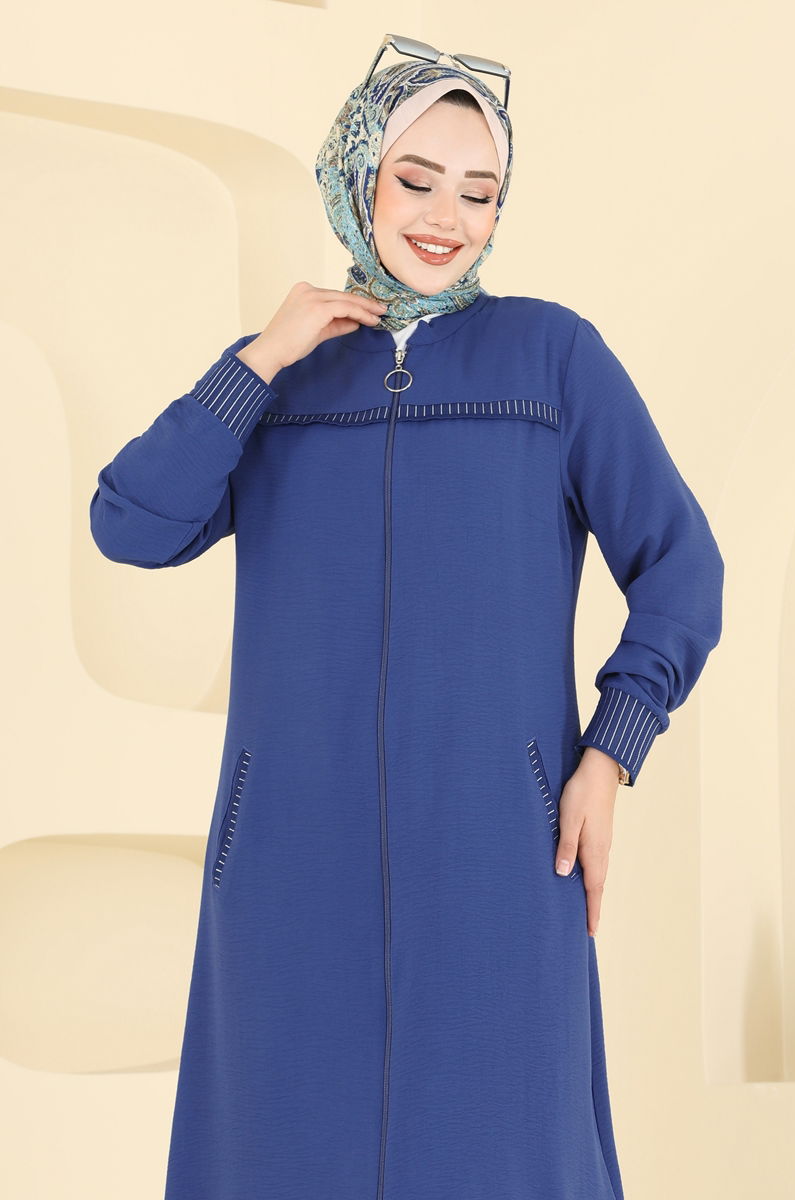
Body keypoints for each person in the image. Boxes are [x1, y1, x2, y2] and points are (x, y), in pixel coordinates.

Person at [89, 49, 724, 1200]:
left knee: (503, 1152)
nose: (445, 219)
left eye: (478, 193)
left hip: (498, 851)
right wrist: (260, 359)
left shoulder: (552, 357)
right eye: (416, 179)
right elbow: (130, 524)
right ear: (354, 177)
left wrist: (607, 754)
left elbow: (681, 567)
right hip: (285, 859)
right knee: (278, 1153)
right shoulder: (282, 377)